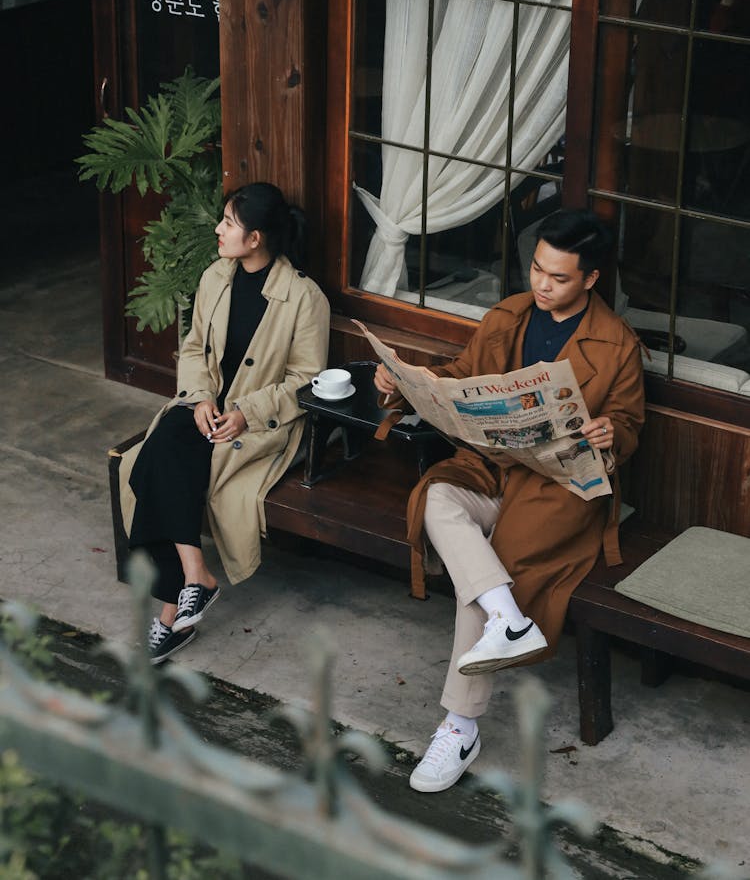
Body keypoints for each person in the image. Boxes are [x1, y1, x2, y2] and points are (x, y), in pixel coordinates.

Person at [374, 209, 644, 792]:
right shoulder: (509, 315)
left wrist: (609, 433)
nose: (541, 285)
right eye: (536, 269)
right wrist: (407, 382)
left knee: (501, 563)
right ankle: (508, 620)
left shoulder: (617, 345)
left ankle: (460, 726)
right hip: (492, 466)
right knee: (438, 495)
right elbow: (463, 376)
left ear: (591, 279)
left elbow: (627, 422)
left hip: (560, 486)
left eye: (559, 278)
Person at [118, 183, 330, 664]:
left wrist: (245, 413)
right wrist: (200, 398)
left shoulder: (302, 297)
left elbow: (307, 381)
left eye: (229, 223)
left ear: (255, 238)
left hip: (257, 424)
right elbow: (193, 348)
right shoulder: (217, 276)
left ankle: (173, 611)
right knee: (154, 453)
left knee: (157, 465)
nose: (218, 229)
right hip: (208, 408)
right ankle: (197, 577)